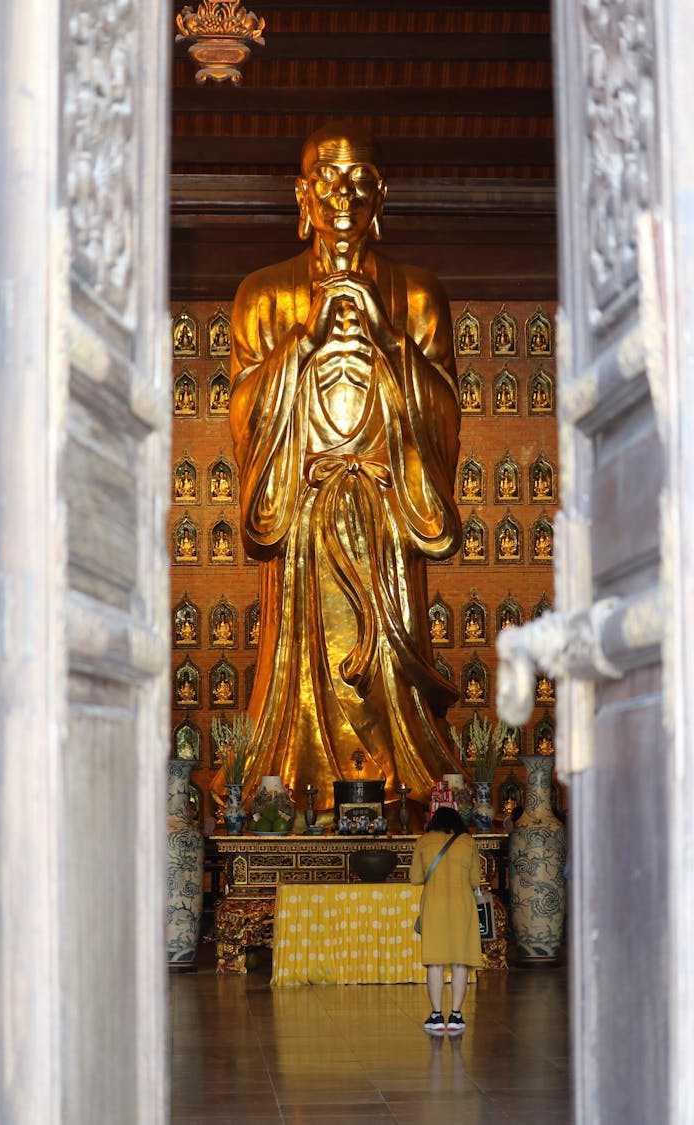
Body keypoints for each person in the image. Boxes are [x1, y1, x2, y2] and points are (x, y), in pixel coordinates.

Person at [217, 122, 462, 811]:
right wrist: (300, 346)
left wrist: (390, 343)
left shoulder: (418, 296)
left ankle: (408, 782)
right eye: (328, 179)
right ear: (303, 194)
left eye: (359, 180)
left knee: (392, 693)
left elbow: (444, 420)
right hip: (303, 526)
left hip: (386, 519)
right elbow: (243, 414)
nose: (343, 194)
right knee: (300, 676)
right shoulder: (263, 296)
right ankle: (293, 786)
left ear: (381, 195)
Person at [409, 806, 483, 1034]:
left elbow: (415, 877)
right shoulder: (467, 841)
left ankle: (436, 1016)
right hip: (462, 905)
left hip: (435, 905)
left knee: (435, 962)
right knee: (460, 961)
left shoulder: (424, 841)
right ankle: (457, 1017)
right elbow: (475, 879)